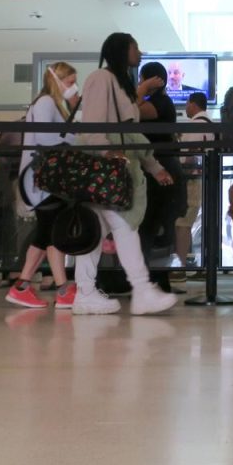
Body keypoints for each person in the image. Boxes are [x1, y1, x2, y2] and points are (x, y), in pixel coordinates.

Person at [71, 33, 177, 316]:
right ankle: (141, 290)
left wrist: (152, 166)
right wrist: (106, 152)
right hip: (106, 169)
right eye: (135, 47)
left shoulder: (118, 82)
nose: (140, 52)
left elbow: (131, 133)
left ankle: (85, 292)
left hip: (115, 170)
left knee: (98, 231)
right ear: (122, 50)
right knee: (123, 225)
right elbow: (93, 124)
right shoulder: (101, 79)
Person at [6, 63, 80, 309]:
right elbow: (47, 138)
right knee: (51, 233)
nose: (73, 87)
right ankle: (60, 290)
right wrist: (74, 137)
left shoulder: (50, 104)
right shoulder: (47, 103)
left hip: (44, 179)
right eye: (70, 82)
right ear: (58, 81)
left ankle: (24, 286)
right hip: (42, 179)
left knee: (46, 233)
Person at [137, 60, 184, 292]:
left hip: (160, 168)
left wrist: (141, 90)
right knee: (154, 224)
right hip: (159, 167)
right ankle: (154, 278)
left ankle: (154, 279)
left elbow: (130, 112)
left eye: (143, 78)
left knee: (154, 224)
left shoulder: (161, 103)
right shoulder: (160, 102)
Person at [174, 91, 213, 270]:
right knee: (197, 223)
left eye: (187, 103)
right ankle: (201, 262)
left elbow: (188, 157)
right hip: (206, 180)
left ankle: (180, 265)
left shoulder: (193, 127)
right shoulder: (211, 126)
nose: (186, 107)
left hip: (191, 180)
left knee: (183, 223)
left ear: (193, 104)